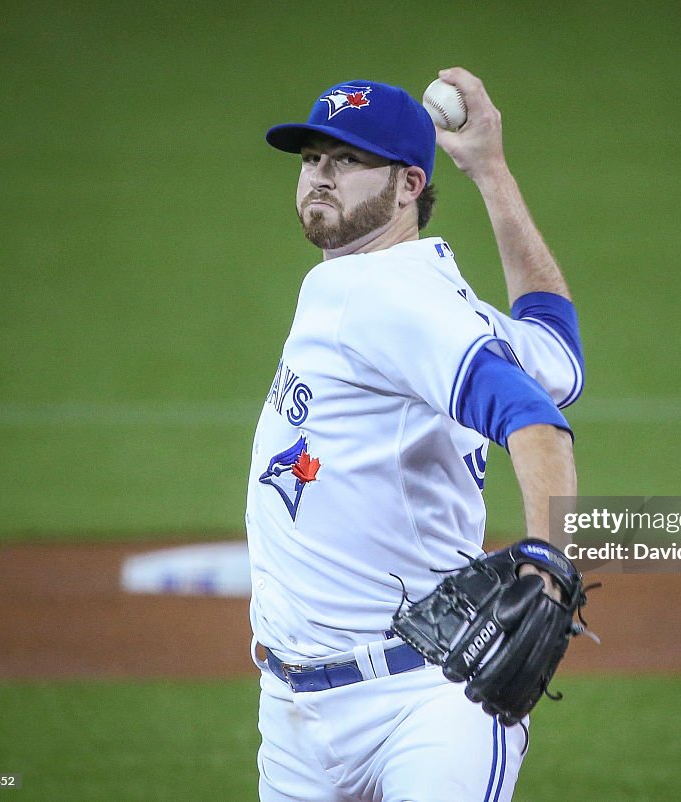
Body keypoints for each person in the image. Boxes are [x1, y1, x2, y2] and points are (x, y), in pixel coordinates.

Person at [246, 67, 584, 802]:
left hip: (422, 708)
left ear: (407, 186)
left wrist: (548, 569)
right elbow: (557, 352)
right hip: (298, 717)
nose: (320, 177)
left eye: (349, 160)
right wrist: (492, 173)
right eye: (311, 158)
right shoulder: (435, 296)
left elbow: (538, 421)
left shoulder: (381, 294)